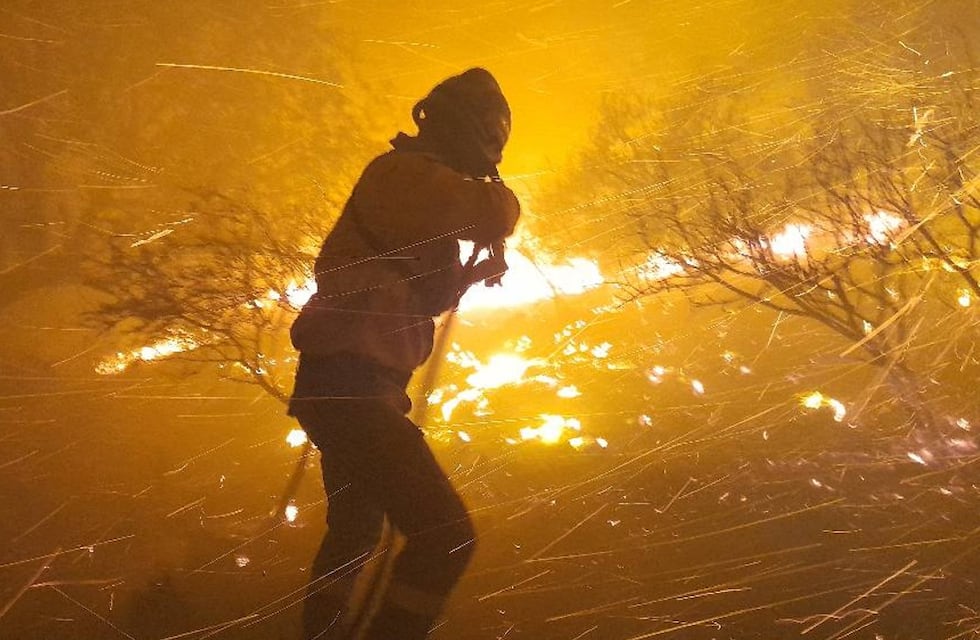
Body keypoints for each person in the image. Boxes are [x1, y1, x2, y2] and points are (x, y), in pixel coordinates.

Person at [287, 68, 520, 640]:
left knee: (354, 535)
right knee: (445, 535)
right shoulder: (401, 176)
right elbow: (495, 211)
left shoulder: (415, 190)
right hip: (352, 391)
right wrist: (496, 196)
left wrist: (468, 277)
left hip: (356, 390)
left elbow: (416, 292)